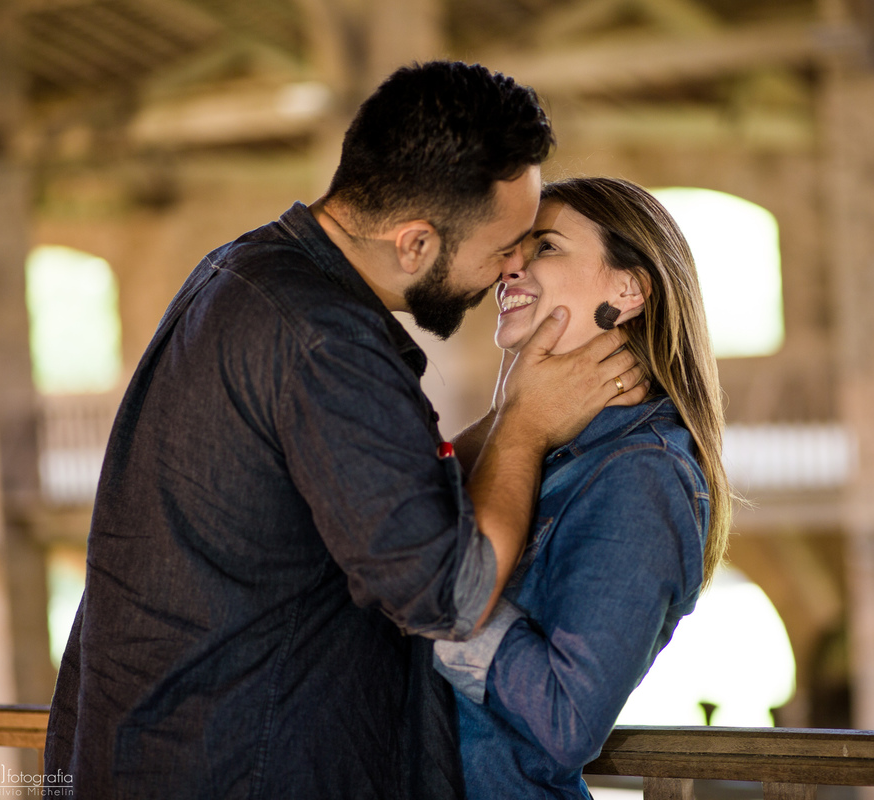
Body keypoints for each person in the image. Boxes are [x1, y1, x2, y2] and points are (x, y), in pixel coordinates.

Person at [44, 63, 647, 799]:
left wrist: (522, 412)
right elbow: (452, 596)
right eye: (505, 247)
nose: (510, 268)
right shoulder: (324, 343)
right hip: (241, 768)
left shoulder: (244, 273)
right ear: (416, 244)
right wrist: (522, 426)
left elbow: (380, 510)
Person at [433, 177, 731, 799]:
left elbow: (567, 720)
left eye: (543, 247)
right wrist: (511, 418)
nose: (509, 268)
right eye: (512, 252)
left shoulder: (644, 473)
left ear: (628, 289)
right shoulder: (540, 439)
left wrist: (420, 601)